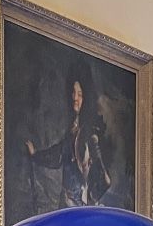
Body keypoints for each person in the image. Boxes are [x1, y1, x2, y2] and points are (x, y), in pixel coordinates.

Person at [25, 77, 111, 208]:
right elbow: (58, 155)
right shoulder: (72, 131)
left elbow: (105, 180)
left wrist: (90, 201)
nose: (75, 98)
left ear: (86, 99)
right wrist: (35, 155)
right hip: (65, 206)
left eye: (80, 94)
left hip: (79, 210)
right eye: (73, 93)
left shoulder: (89, 135)